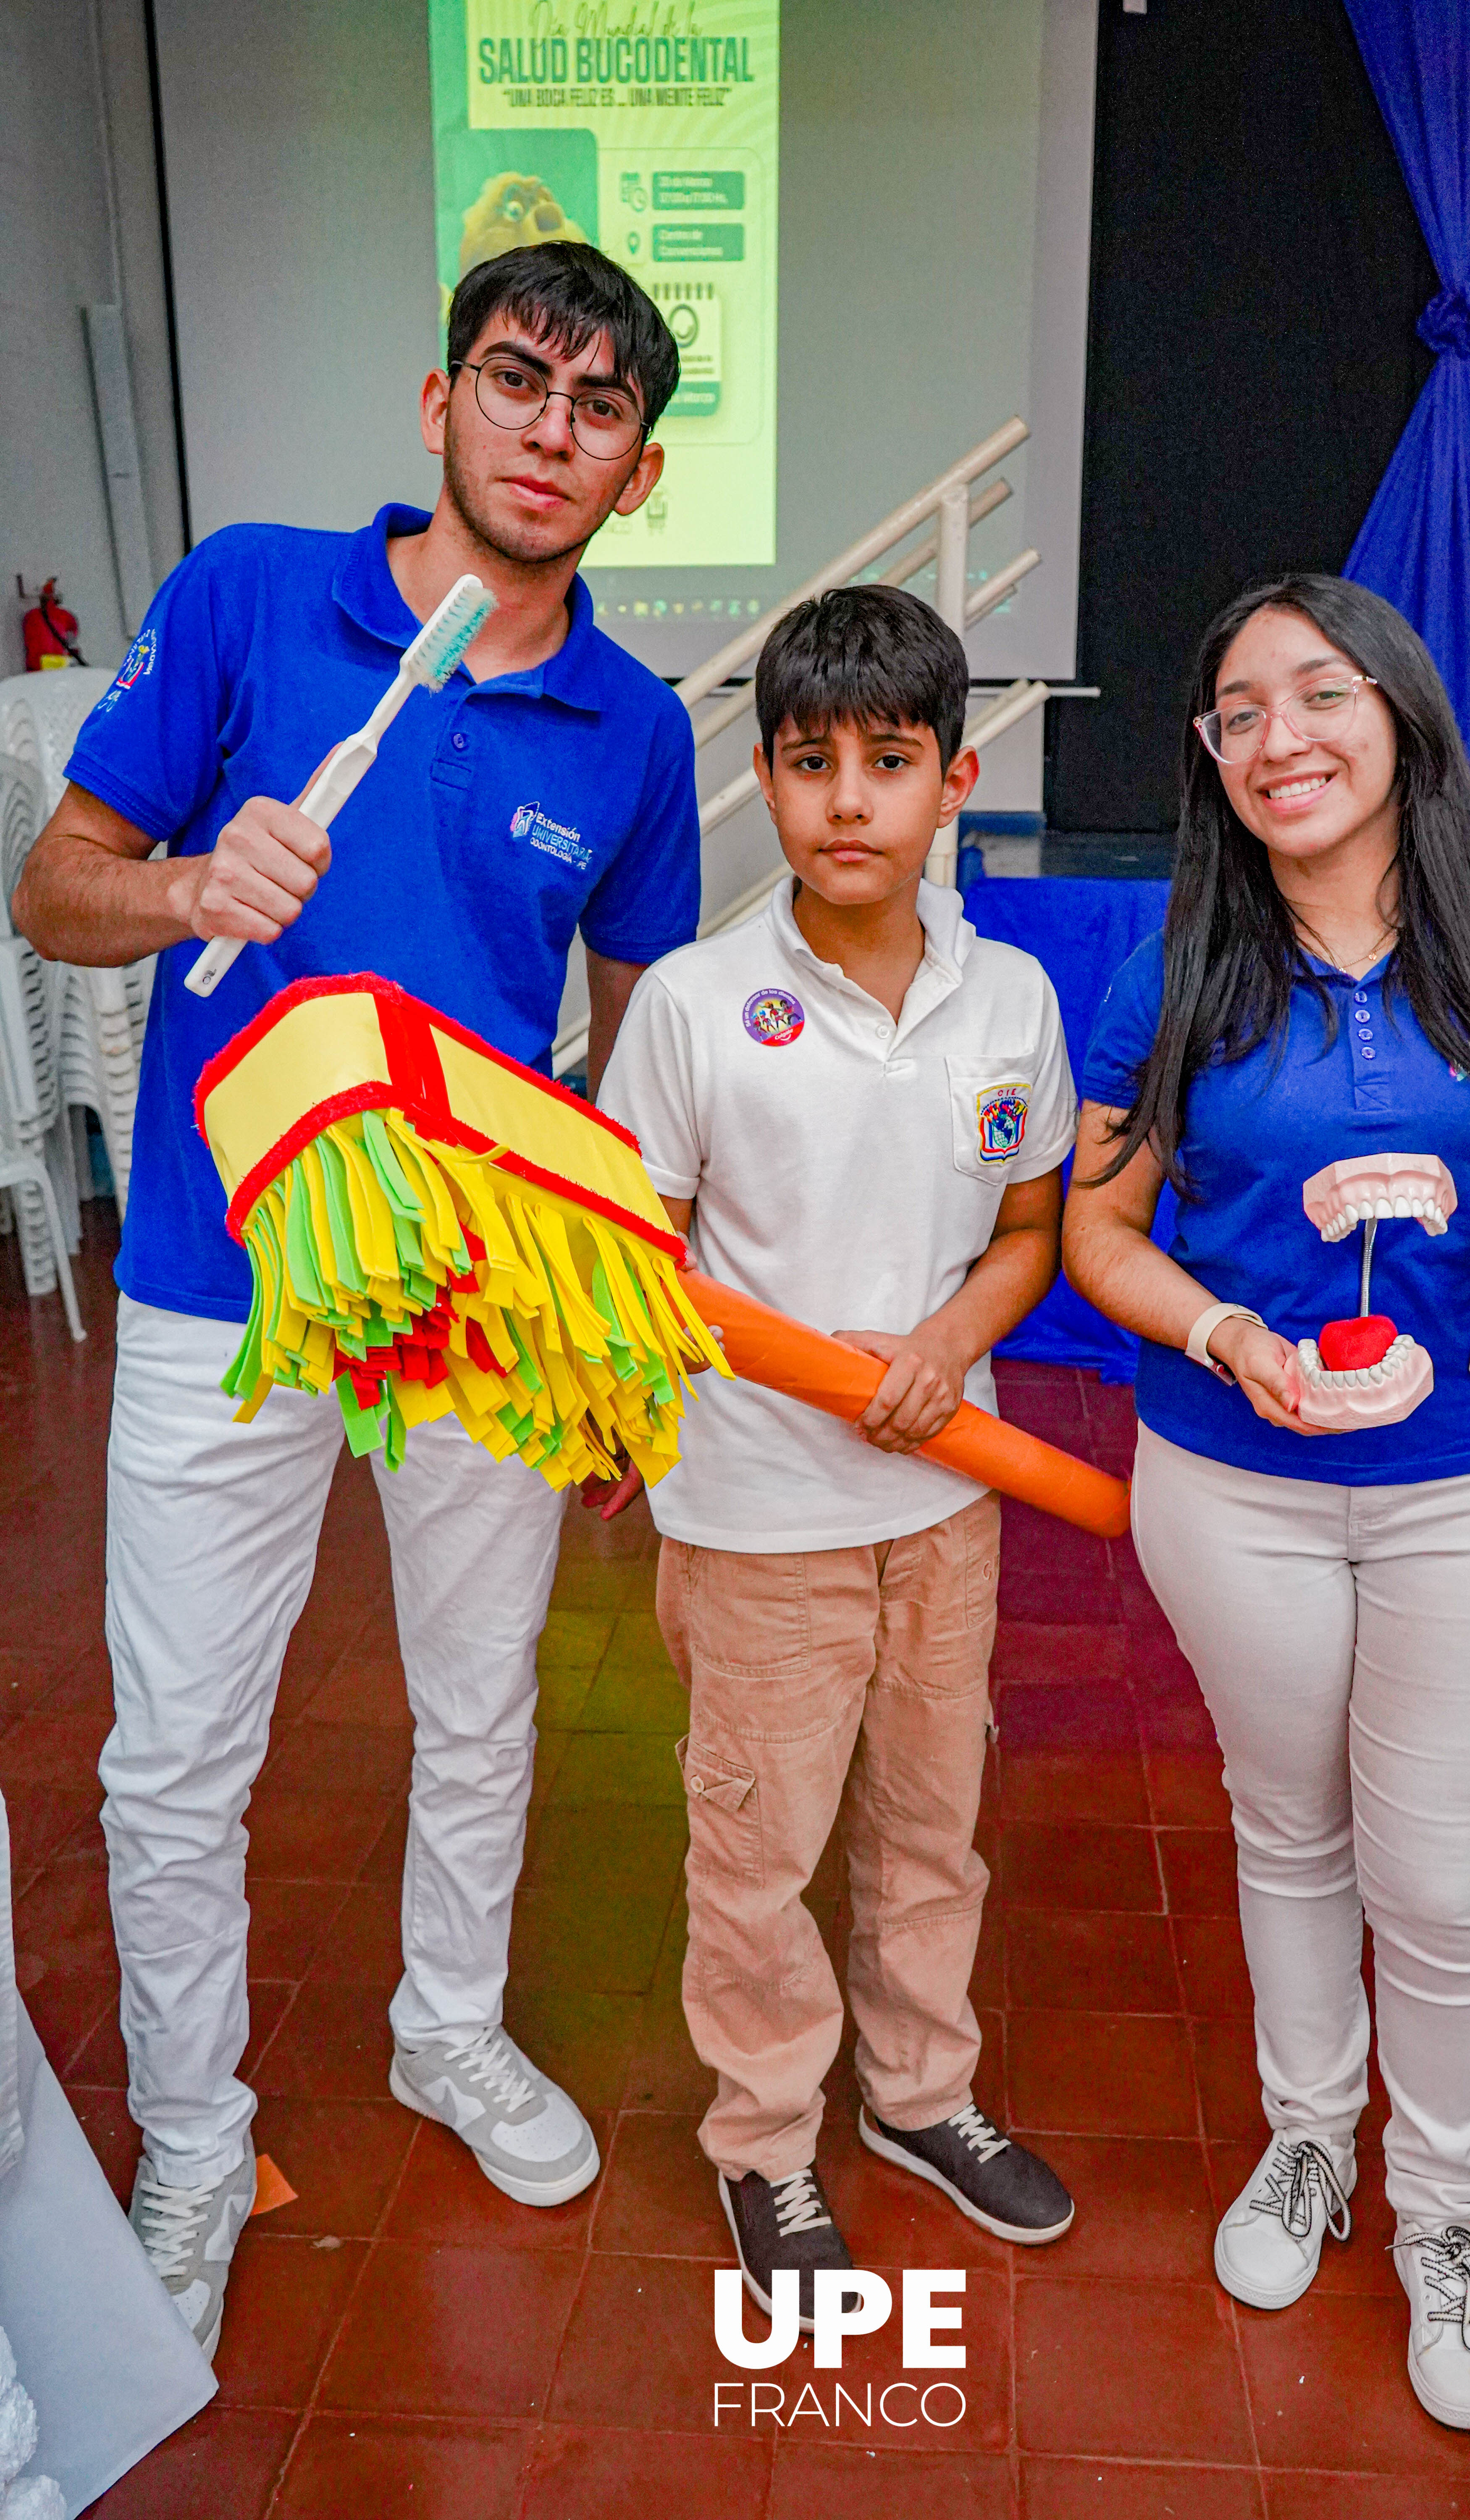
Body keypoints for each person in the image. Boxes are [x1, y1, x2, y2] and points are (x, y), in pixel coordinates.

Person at [11, 242, 699, 2357]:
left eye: (596, 409)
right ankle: (199, 2137)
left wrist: (610, 1324)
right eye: (518, 380)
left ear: (638, 472)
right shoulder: (244, 597)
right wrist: (187, 886)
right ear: (440, 402)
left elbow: (639, 1045)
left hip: (477, 1309)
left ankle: (447, 2030)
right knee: (178, 1751)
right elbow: (55, 886)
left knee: (483, 1713)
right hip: (226, 1281)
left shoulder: (638, 726)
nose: (548, 428)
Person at [1063, 575, 1470, 2431]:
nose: (1277, 737)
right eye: (1236, 712)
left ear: (1399, 717)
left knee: (1443, 1884)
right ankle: (1309, 2142)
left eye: (1317, 695)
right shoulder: (1174, 965)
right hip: (1228, 1485)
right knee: (1287, 1829)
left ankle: (1444, 2213)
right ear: (1209, 760)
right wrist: (1225, 1327)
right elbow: (1092, 1223)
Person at [592, 586, 1079, 2320]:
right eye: (813, 765)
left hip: (952, 1502)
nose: (850, 801)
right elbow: (634, 1266)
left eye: (889, 762)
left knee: (932, 1833)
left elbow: (1028, 1230)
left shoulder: (1011, 996)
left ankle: (922, 2099)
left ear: (955, 778)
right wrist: (654, 1418)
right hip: (758, 1523)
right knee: (755, 1853)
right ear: (767, 779)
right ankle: (768, 2142)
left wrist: (948, 1347)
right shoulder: (696, 1006)